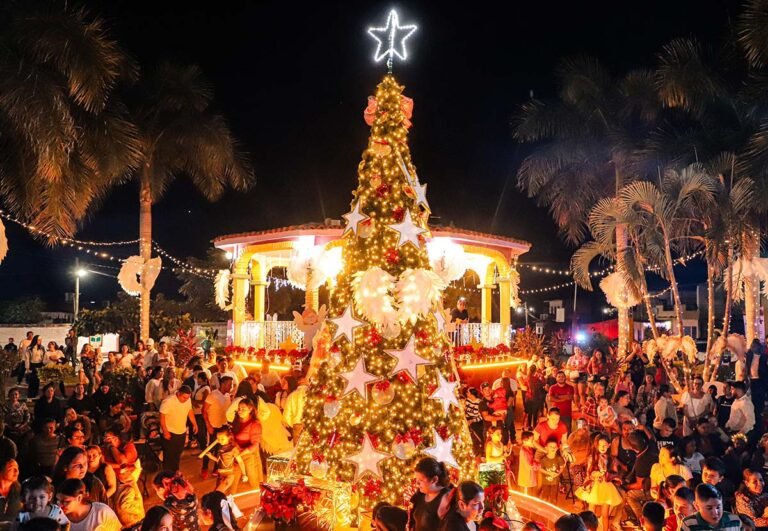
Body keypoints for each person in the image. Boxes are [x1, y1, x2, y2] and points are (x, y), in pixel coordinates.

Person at [575, 433, 622, 531]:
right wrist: (596, 474)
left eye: (605, 445)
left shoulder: (611, 459)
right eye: (600, 445)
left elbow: (615, 473)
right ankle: (589, 528)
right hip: (595, 486)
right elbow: (589, 472)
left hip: (607, 487)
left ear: (609, 445)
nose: (602, 447)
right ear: (596, 446)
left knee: (605, 514)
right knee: (591, 512)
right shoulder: (592, 458)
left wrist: (611, 475)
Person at [226, 398, 262, 493]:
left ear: (250, 409)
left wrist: (241, 454)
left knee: (253, 481)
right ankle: (230, 501)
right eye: (239, 409)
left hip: (248, 455)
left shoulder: (254, 424)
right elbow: (232, 435)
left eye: (243, 409)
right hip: (236, 454)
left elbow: (255, 444)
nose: (240, 411)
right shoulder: (237, 421)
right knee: (232, 481)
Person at [55, 478, 120, 531]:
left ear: (79, 498)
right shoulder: (57, 516)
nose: (60, 505)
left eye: (65, 501)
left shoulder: (101, 512)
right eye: (58, 500)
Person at [159, 386, 197, 472]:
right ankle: (167, 474)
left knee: (178, 453)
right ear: (178, 393)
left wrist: (194, 423)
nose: (185, 400)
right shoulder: (168, 401)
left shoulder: (188, 400)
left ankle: (175, 471)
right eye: (184, 397)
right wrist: (165, 431)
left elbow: (190, 411)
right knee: (169, 455)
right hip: (170, 432)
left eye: (187, 398)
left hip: (181, 431)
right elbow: (162, 417)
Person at [409, 457, 452, 531]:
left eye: (421, 480)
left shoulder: (446, 498)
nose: (417, 483)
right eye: (417, 479)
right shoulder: (420, 495)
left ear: (434, 479)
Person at [625, 430, 658, 524]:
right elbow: (652, 437)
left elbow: (640, 485)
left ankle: (643, 520)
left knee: (630, 495)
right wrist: (643, 427)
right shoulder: (651, 447)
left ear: (632, 447)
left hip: (652, 489)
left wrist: (626, 487)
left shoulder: (641, 461)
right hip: (658, 484)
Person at [202, 376, 233, 478]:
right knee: (210, 447)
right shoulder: (213, 395)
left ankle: (216, 468)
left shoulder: (228, 396)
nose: (231, 386)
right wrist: (208, 425)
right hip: (213, 426)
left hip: (223, 426)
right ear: (223, 384)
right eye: (229, 384)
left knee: (220, 449)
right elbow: (204, 411)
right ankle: (205, 467)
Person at [745, 339, 768, 423]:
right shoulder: (750, 355)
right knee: (754, 399)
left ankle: (760, 414)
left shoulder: (763, 356)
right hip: (752, 379)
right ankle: (756, 416)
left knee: (760, 398)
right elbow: (747, 366)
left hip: (760, 380)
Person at [282, 376, 308, 441]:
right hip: (309, 425)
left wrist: (294, 424)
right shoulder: (312, 394)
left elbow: (286, 416)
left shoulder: (292, 395)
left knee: (298, 448)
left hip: (296, 425)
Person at [0, 458, 21, 523]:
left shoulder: (20, 490)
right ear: (2, 469)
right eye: (12, 468)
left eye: (17, 468)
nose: (16, 471)